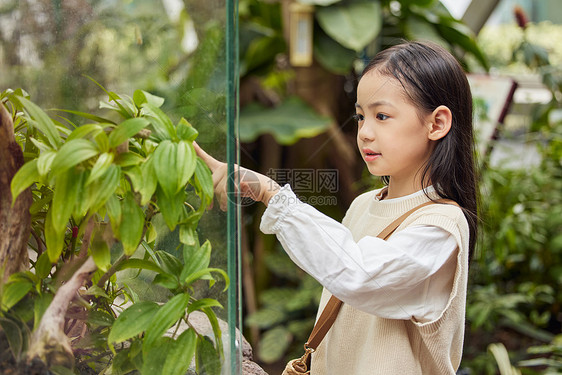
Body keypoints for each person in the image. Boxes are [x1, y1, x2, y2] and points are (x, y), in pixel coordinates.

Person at [194, 40, 478, 374]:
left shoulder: (442, 226)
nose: (365, 133)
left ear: (437, 123)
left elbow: (358, 275)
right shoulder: (362, 205)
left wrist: (271, 193)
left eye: (382, 116)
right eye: (360, 116)